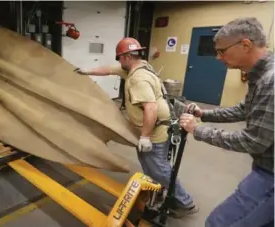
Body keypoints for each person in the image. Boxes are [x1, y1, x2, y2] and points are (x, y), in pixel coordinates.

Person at [75, 37, 198, 218]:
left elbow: (151, 108)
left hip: (155, 132)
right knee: (153, 167)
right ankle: (158, 194)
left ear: (126, 57)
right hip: (160, 127)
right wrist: (87, 71)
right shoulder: (139, 67)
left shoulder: (138, 78)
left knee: (158, 169)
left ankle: (184, 202)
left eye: (119, 58)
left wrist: (145, 137)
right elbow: (109, 70)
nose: (118, 62)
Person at [179, 17, 274, 227]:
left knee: (218, 223)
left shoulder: (271, 80)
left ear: (245, 45)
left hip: (270, 174)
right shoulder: (259, 75)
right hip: (265, 166)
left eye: (222, 51)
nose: (218, 57)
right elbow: (245, 109)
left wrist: (197, 129)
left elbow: (253, 141)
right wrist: (204, 114)